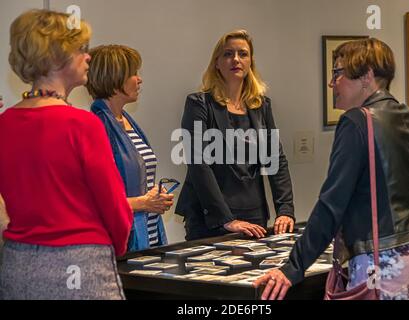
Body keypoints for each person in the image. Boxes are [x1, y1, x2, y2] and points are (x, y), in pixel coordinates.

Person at [254, 38, 409, 300]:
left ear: (366, 76)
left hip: (388, 266)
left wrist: (292, 267)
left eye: (338, 72)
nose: (332, 83)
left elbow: (332, 203)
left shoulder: (356, 121)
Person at [0, 9, 133, 300]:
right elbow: (115, 208)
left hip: (17, 264)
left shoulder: (4, 124)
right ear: (56, 56)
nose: (88, 57)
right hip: (79, 264)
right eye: (81, 49)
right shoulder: (82, 125)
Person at [175, 30, 295, 240]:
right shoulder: (199, 104)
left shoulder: (261, 106)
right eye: (228, 54)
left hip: (254, 213)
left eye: (243, 54)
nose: (236, 59)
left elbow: (276, 160)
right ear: (217, 63)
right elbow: (197, 163)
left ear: (250, 63)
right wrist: (225, 219)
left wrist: (285, 209)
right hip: (210, 217)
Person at [86, 45, 174, 251]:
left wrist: (154, 197)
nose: (139, 79)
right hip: (123, 242)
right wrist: (144, 203)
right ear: (115, 79)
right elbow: (93, 202)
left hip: (148, 234)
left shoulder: (125, 121)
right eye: (133, 73)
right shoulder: (97, 126)